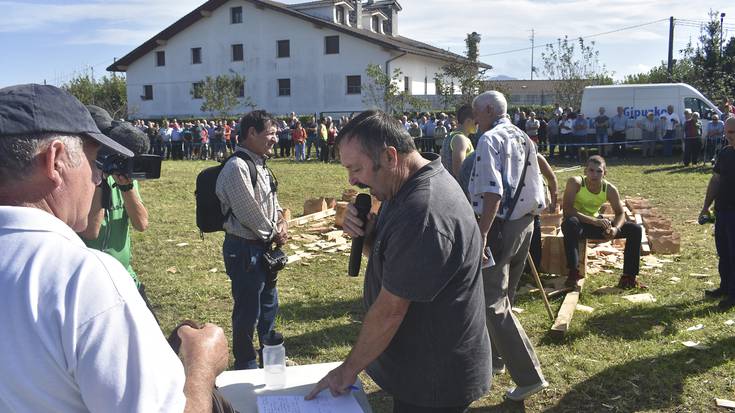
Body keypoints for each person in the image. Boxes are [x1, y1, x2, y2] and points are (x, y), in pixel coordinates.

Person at [0, 84, 228, 411]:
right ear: (56, 160)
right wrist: (201, 366)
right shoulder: (81, 280)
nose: (97, 177)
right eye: (95, 161)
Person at [306, 110, 491, 412]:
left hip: (436, 378)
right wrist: (366, 236)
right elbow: (397, 259)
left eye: (356, 168)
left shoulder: (424, 212)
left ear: (390, 156)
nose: (352, 180)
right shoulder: (404, 187)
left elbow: (391, 310)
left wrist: (347, 369)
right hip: (422, 365)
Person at [469, 91, 548, 401]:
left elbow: (492, 192)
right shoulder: (522, 137)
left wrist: (483, 233)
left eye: (477, 112)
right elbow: (538, 184)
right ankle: (497, 359)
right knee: (505, 297)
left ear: (488, 110)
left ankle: (528, 376)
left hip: (500, 227)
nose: (475, 119)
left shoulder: (489, 140)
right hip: (525, 224)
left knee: (493, 301)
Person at [216, 110, 288, 370]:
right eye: (271, 133)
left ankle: (270, 357)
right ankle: (246, 364)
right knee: (248, 311)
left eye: (276, 134)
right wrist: (274, 233)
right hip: (245, 249)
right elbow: (249, 213)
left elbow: (273, 202)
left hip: (263, 248)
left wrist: (281, 220)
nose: (275, 139)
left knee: (269, 305)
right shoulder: (237, 167)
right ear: (251, 133)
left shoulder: (260, 163)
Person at [78, 105, 152, 315]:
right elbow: (91, 231)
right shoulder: (81, 182)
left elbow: (141, 224)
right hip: (92, 284)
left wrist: (127, 187)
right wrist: (99, 181)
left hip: (126, 276)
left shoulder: (124, 177)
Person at [561, 155, 644, 289]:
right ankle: (573, 273)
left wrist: (615, 229)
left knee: (635, 229)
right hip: (578, 224)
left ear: (605, 173)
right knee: (570, 223)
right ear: (585, 171)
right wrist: (594, 221)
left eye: (599, 171)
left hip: (596, 224)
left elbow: (620, 213)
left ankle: (629, 277)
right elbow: (568, 210)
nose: (594, 175)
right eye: (591, 171)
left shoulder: (609, 189)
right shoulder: (575, 182)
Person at [700, 117, 735, 310]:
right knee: (724, 252)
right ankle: (725, 287)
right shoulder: (725, 153)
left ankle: (733, 294)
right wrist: (706, 206)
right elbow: (715, 180)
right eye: (726, 132)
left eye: (731, 132)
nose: (727, 136)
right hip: (722, 211)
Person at [440, 104, 475, 179]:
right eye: (476, 122)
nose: (479, 125)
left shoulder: (451, 135)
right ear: (468, 121)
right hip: (459, 188)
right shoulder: (460, 139)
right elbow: (459, 173)